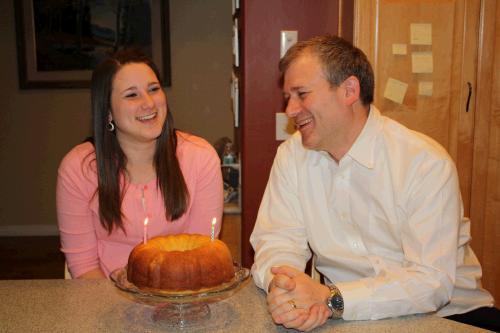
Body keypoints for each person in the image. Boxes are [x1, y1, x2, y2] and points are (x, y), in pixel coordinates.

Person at [250, 35, 497, 332]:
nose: (290, 109)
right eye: (288, 97)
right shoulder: (291, 157)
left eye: (301, 94)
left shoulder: (424, 162)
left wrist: (333, 299)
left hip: (450, 316)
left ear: (349, 90)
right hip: (344, 316)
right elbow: (277, 240)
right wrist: (284, 284)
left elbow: (431, 282)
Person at [56, 49, 223, 279]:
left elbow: (199, 257)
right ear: (108, 113)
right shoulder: (79, 168)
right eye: (131, 95)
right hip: (104, 299)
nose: (148, 103)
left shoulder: (200, 158)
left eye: (153, 89)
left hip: (182, 299)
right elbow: (84, 267)